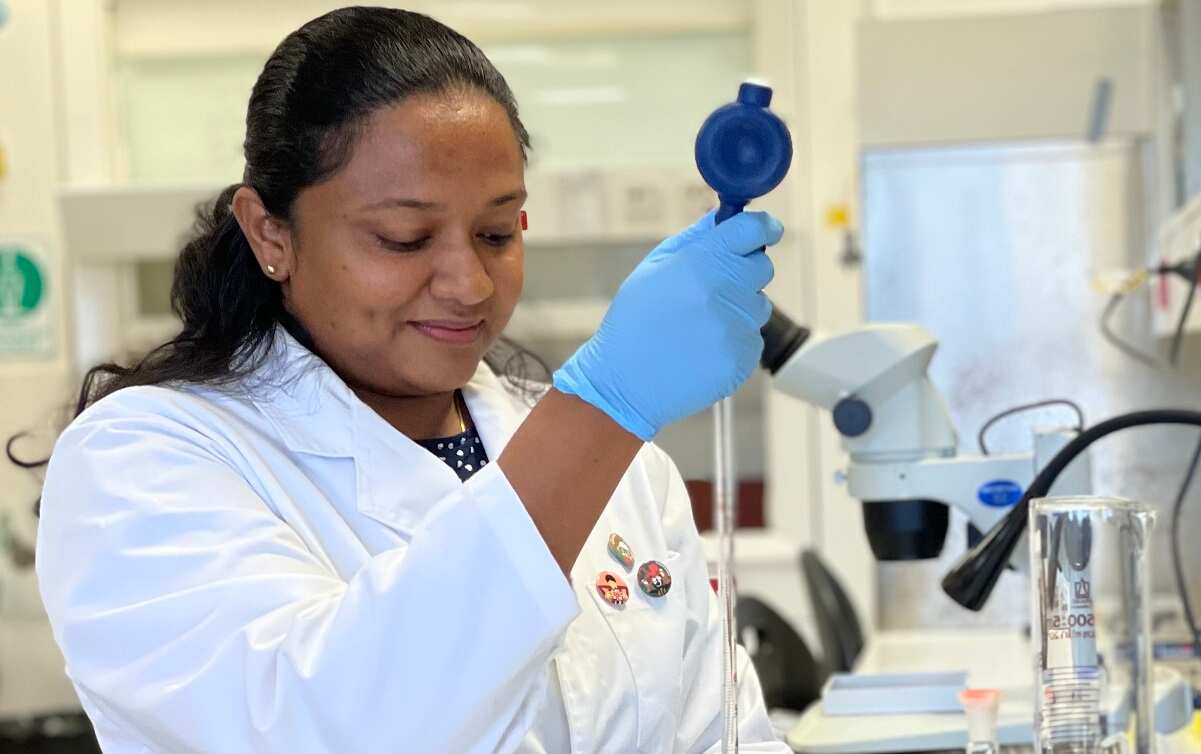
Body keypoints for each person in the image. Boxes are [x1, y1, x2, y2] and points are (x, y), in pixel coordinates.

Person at [35, 7, 789, 753]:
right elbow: (322, 730)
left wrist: (598, 425)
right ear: (270, 232)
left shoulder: (627, 477)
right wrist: (600, 410)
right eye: (403, 239)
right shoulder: (143, 463)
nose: (468, 283)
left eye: (497, 233)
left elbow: (730, 738)